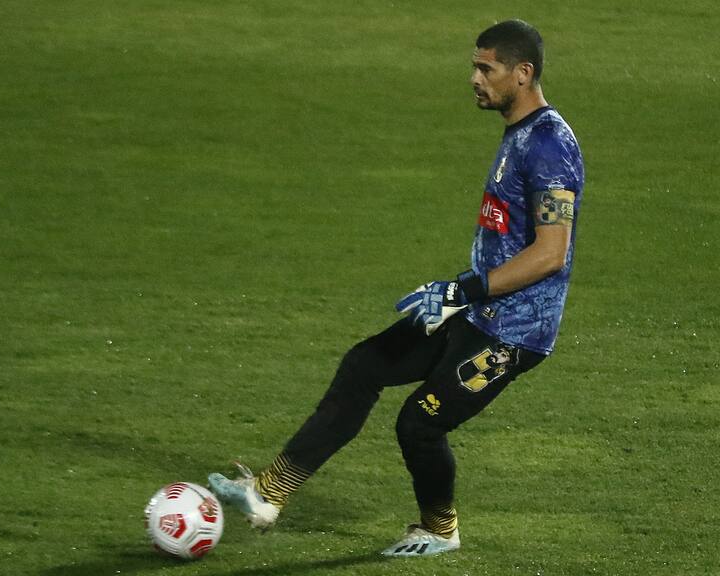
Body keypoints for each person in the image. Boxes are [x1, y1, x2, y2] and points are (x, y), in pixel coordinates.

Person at [209, 19, 585, 557]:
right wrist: (464, 296)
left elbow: (551, 253)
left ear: (522, 74)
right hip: (478, 310)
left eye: (487, 69)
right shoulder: (521, 134)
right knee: (364, 365)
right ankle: (269, 494)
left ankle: (440, 530)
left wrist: (461, 291)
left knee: (418, 425)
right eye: (473, 66)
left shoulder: (550, 145)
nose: (474, 78)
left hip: (513, 332)